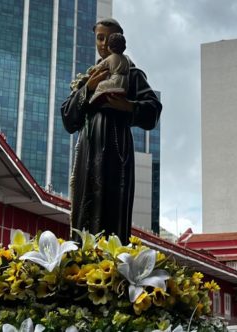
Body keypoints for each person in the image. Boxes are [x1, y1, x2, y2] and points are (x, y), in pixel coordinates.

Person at [61, 18, 162, 244]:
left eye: (109, 38)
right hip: (87, 149)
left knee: (112, 204)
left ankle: (111, 261)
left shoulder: (132, 74)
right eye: (100, 37)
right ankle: (81, 256)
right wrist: (88, 89)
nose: (104, 43)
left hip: (117, 149)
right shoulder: (88, 78)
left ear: (120, 41)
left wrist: (128, 106)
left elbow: (153, 110)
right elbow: (68, 118)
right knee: (83, 203)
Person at [89, 32, 129, 105]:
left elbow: (99, 67)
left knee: (101, 85)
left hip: (115, 81)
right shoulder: (125, 59)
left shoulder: (110, 58)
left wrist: (91, 70)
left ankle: (93, 100)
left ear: (110, 47)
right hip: (125, 83)